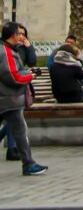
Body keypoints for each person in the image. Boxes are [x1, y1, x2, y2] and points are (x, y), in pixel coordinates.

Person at [0, 21, 47, 176]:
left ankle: (28, 163)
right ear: (13, 35)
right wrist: (29, 76)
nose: (21, 36)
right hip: (9, 99)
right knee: (20, 131)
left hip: (6, 98)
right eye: (19, 33)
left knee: (18, 131)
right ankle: (28, 164)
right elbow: (12, 76)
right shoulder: (6, 52)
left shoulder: (9, 50)